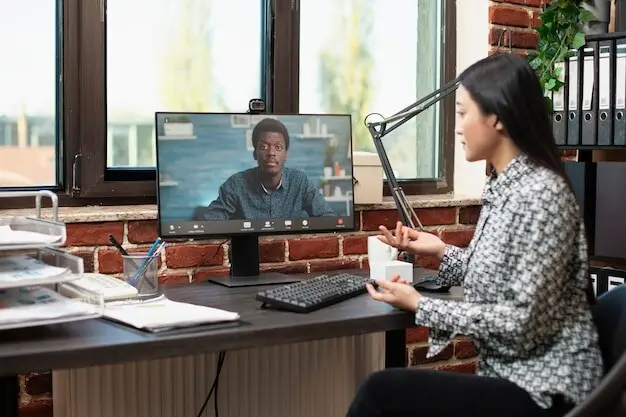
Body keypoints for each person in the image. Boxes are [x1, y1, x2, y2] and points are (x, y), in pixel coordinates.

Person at [347, 53, 604, 417]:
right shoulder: (505, 186)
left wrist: (421, 305)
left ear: (496, 117)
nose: (457, 128)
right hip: (509, 377)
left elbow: (521, 323)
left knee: (380, 393)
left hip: (546, 389)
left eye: (463, 113)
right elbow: (506, 274)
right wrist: (440, 250)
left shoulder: (540, 195)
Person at [196, 117, 337, 221]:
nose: (271, 153)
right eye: (264, 147)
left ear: (286, 155)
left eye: (278, 147)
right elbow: (210, 222)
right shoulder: (236, 184)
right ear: (255, 153)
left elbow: (328, 218)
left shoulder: (299, 182)